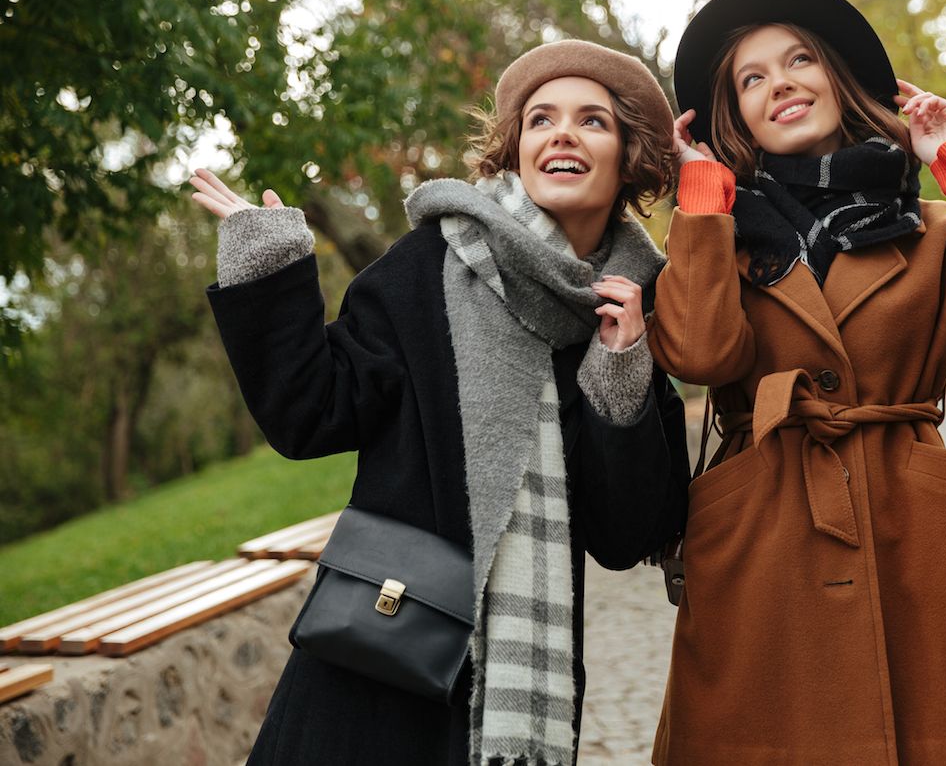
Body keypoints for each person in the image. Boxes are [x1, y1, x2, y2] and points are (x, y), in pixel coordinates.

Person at [188, 39, 690, 766]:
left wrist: (619, 367)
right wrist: (269, 267)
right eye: (541, 119)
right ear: (515, 149)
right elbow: (310, 412)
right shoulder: (432, 266)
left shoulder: (628, 315)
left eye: (593, 121)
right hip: (376, 667)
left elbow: (625, 534)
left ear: (629, 157)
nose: (562, 134)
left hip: (514, 700)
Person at [648, 0, 946, 765]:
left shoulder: (935, 231)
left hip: (906, 531)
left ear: (836, 77)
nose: (779, 83)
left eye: (799, 60)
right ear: (733, 114)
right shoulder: (716, 239)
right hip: (762, 535)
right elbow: (701, 354)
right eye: (752, 78)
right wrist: (703, 203)